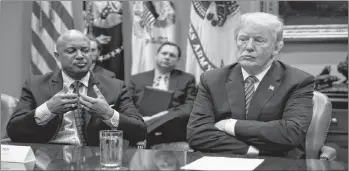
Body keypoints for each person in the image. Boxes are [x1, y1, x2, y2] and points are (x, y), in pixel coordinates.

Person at [187, 12, 315, 158]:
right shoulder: (212, 79)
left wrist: (230, 125)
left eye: (259, 40)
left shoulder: (297, 81)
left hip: (277, 164)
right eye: (243, 39)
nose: (248, 47)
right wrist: (250, 150)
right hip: (225, 162)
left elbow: (291, 133)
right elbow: (196, 134)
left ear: (276, 48)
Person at [7, 30, 146, 146]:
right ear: (57, 56)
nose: (80, 56)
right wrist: (48, 109)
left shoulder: (115, 86)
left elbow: (140, 131)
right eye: (71, 51)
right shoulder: (35, 84)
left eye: (86, 50)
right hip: (48, 158)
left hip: (95, 161)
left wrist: (108, 114)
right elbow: (14, 131)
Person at [128, 42, 197, 148]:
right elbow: (127, 104)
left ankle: (146, 126)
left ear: (178, 61)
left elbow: (189, 108)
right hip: (141, 131)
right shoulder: (136, 79)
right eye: (164, 53)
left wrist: (162, 116)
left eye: (172, 55)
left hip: (171, 132)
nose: (167, 57)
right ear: (156, 56)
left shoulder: (187, 79)